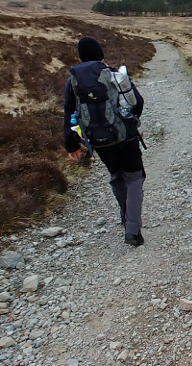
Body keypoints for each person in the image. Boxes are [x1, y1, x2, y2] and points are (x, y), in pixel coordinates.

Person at [64, 37, 147, 246]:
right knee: (134, 177)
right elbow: (137, 103)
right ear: (101, 55)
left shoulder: (73, 81)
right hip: (125, 136)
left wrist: (71, 145)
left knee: (117, 175)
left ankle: (126, 216)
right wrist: (131, 120)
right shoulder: (113, 75)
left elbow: (68, 113)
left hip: (97, 141)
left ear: (80, 57)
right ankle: (133, 230)